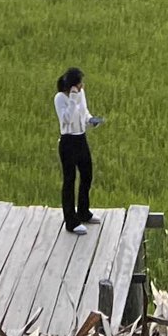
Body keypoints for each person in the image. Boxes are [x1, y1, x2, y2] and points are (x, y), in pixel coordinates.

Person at [54, 67, 103, 233]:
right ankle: (71, 221)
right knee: (69, 180)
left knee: (87, 174)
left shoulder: (80, 94)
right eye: (79, 84)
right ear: (72, 86)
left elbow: (84, 112)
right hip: (68, 141)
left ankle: (83, 211)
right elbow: (67, 119)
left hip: (81, 138)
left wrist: (91, 120)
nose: (82, 86)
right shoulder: (60, 98)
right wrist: (73, 98)